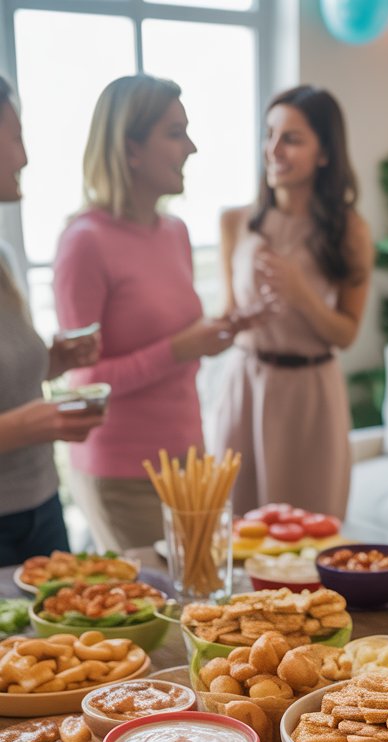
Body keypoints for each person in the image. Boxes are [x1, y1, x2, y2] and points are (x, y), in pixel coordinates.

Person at [53, 74, 242, 552]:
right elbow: (83, 382)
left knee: (203, 612)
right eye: (175, 133)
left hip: (188, 461)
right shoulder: (84, 242)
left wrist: (215, 334)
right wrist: (179, 349)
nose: (192, 147)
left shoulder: (174, 231)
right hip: (123, 473)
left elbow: (179, 346)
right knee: (157, 616)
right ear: (130, 148)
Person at [211, 84, 373, 519]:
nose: (273, 149)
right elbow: (225, 318)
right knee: (236, 533)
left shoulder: (350, 232)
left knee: (308, 538)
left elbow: (347, 333)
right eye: (269, 134)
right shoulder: (235, 222)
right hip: (246, 385)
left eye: (292, 139)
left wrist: (302, 296)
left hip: (310, 398)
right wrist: (239, 320)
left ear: (325, 154)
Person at [0, 76, 103, 567]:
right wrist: (22, 426)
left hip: (40, 506)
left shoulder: (3, 254)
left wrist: (52, 360)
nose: (24, 157)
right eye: (14, 137)